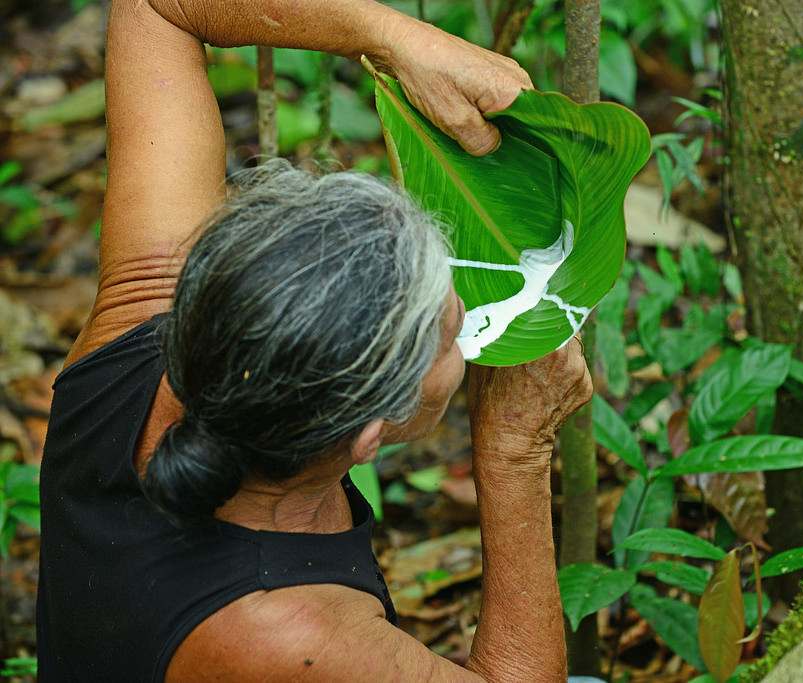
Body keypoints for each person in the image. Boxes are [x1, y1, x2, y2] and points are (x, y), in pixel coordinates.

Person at [35, 0, 593, 680]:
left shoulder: (143, 314)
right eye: (452, 332)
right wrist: (515, 452)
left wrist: (394, 39)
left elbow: (156, 7)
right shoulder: (284, 630)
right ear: (366, 435)